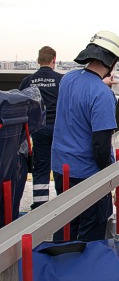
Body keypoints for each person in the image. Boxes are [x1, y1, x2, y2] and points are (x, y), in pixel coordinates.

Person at [51, 30, 119, 241]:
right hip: (87, 175)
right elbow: (101, 146)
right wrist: (107, 175)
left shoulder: (68, 79)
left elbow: (81, 97)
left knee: (65, 226)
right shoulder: (103, 95)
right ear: (111, 62)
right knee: (90, 233)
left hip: (61, 169)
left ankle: (61, 269)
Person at [19, 46, 63, 209]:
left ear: (38, 61)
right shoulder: (61, 80)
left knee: (41, 167)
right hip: (58, 130)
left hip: (38, 130)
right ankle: (64, 203)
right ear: (54, 60)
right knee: (60, 167)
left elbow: (20, 104)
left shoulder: (28, 81)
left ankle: (40, 205)